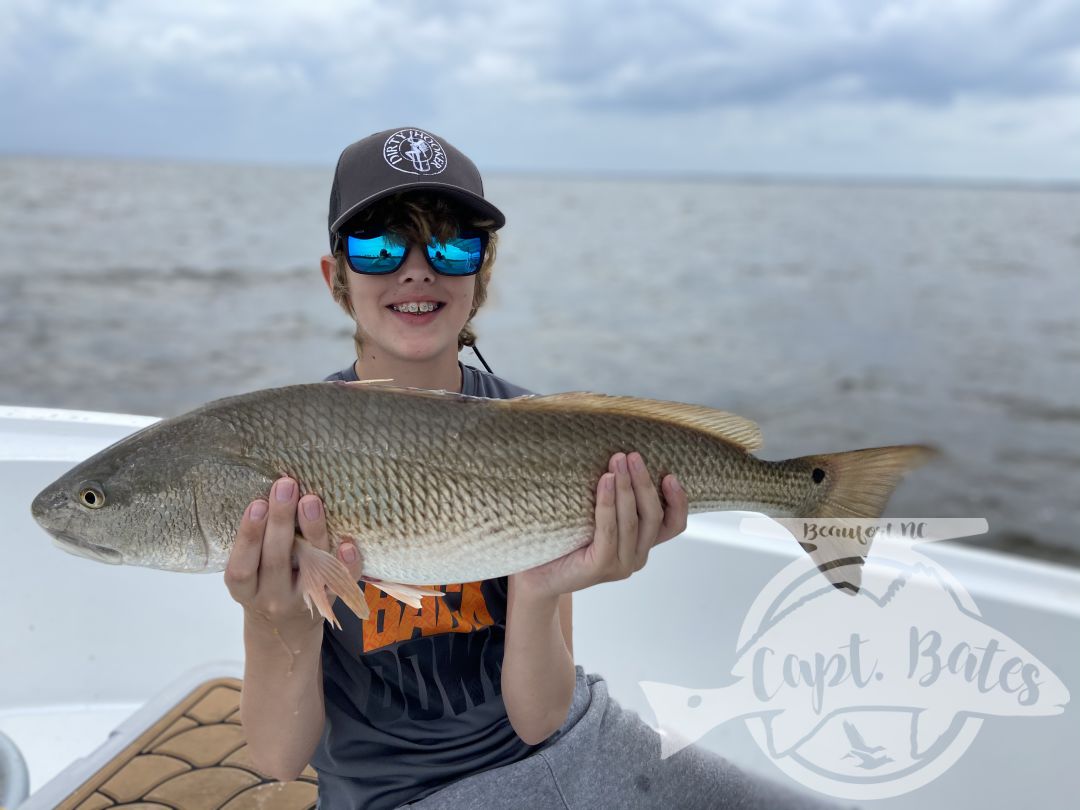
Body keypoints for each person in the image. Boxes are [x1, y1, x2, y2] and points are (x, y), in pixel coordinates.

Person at [224, 127, 842, 809]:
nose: (417, 268)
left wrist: (545, 587)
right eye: (379, 244)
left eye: (454, 244)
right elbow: (279, 759)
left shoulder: (543, 428)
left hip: (566, 744)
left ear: (482, 273)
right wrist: (276, 616)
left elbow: (541, 718)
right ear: (334, 275)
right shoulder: (293, 445)